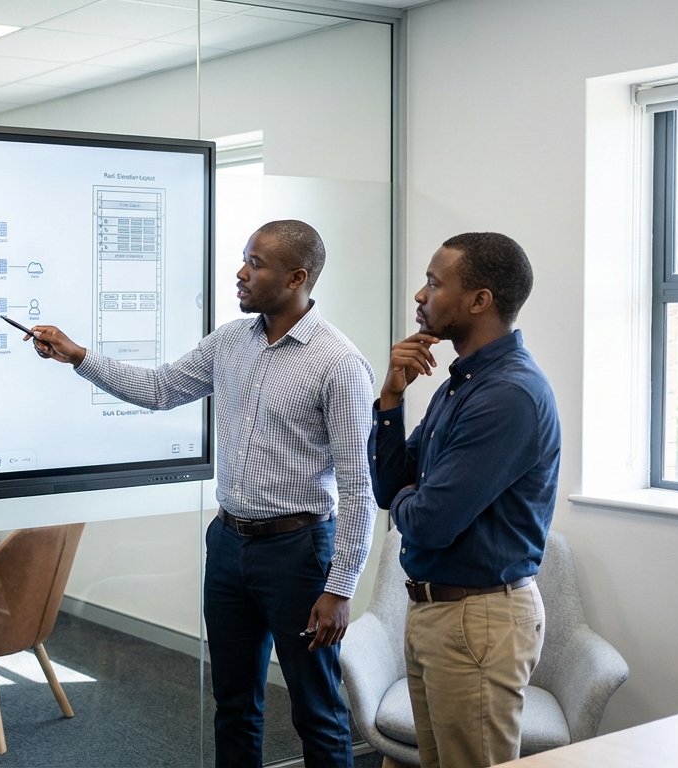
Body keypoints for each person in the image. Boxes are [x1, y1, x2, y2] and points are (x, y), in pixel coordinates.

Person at [27, 220, 375, 767]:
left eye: (255, 263)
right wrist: (78, 356)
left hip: (299, 554)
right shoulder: (231, 341)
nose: (240, 273)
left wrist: (340, 588)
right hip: (230, 544)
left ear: (296, 277)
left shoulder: (339, 363)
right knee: (234, 703)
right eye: (245, 258)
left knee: (317, 709)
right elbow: (161, 389)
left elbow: (358, 488)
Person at [370, 232, 560, 768]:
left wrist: (411, 499)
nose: (419, 295)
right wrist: (390, 399)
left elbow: (429, 521)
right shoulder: (462, 384)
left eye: (434, 282)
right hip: (438, 613)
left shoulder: (507, 395)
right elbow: (392, 487)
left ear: (480, 301)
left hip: (476, 620)